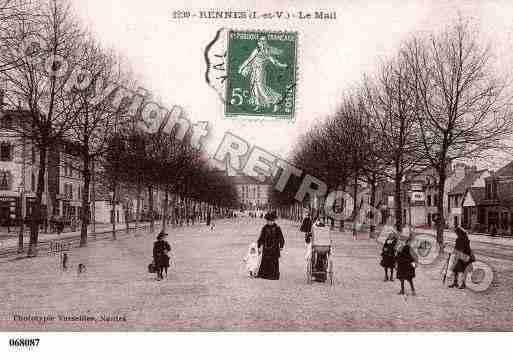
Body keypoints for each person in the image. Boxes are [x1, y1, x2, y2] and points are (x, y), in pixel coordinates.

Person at [238, 36, 287, 112]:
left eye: (264, 41)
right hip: (254, 71)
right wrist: (242, 68)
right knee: (255, 89)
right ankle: (259, 104)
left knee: (261, 88)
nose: (262, 42)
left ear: (266, 42)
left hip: (260, 72)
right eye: (261, 41)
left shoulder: (267, 52)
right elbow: (249, 60)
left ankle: (276, 101)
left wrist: (282, 65)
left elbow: (274, 61)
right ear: (258, 42)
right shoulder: (256, 51)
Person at [257, 211, 285, 280]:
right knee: (265, 260)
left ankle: (273, 275)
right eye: (268, 221)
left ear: (274, 221)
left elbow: (281, 238)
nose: (269, 222)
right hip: (266, 247)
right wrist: (259, 245)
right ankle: (264, 274)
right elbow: (261, 237)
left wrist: (281, 246)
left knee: (274, 261)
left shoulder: (277, 228)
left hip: (274, 247)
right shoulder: (264, 228)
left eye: (271, 221)